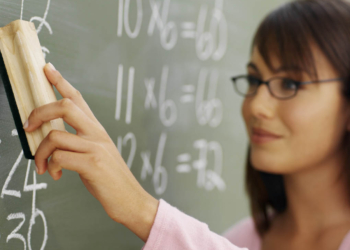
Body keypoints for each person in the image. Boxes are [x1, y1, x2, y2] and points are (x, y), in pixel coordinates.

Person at [22, 0, 350, 249]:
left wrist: (140, 208)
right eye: (253, 79)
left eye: (291, 84)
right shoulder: (243, 237)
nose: (256, 105)